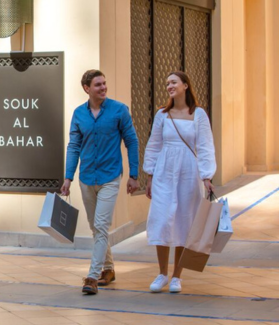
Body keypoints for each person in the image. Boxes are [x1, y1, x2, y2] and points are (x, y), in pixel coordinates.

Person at [61, 69, 139, 295]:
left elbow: (131, 141)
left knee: (102, 225)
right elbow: (73, 146)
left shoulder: (119, 110)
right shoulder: (79, 114)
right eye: (98, 85)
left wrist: (134, 175)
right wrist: (68, 177)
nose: (103, 87)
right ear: (87, 88)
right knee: (96, 227)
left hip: (110, 177)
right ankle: (109, 269)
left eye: (104, 83)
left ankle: (92, 277)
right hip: (86, 177)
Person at [143, 71, 216, 294]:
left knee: (185, 221)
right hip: (164, 171)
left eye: (173, 82)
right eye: (167, 83)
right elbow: (154, 145)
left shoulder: (199, 114)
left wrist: (206, 176)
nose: (169, 86)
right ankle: (162, 273)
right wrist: (150, 176)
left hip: (188, 172)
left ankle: (177, 276)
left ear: (185, 85)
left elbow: (205, 145)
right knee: (162, 219)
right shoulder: (162, 115)